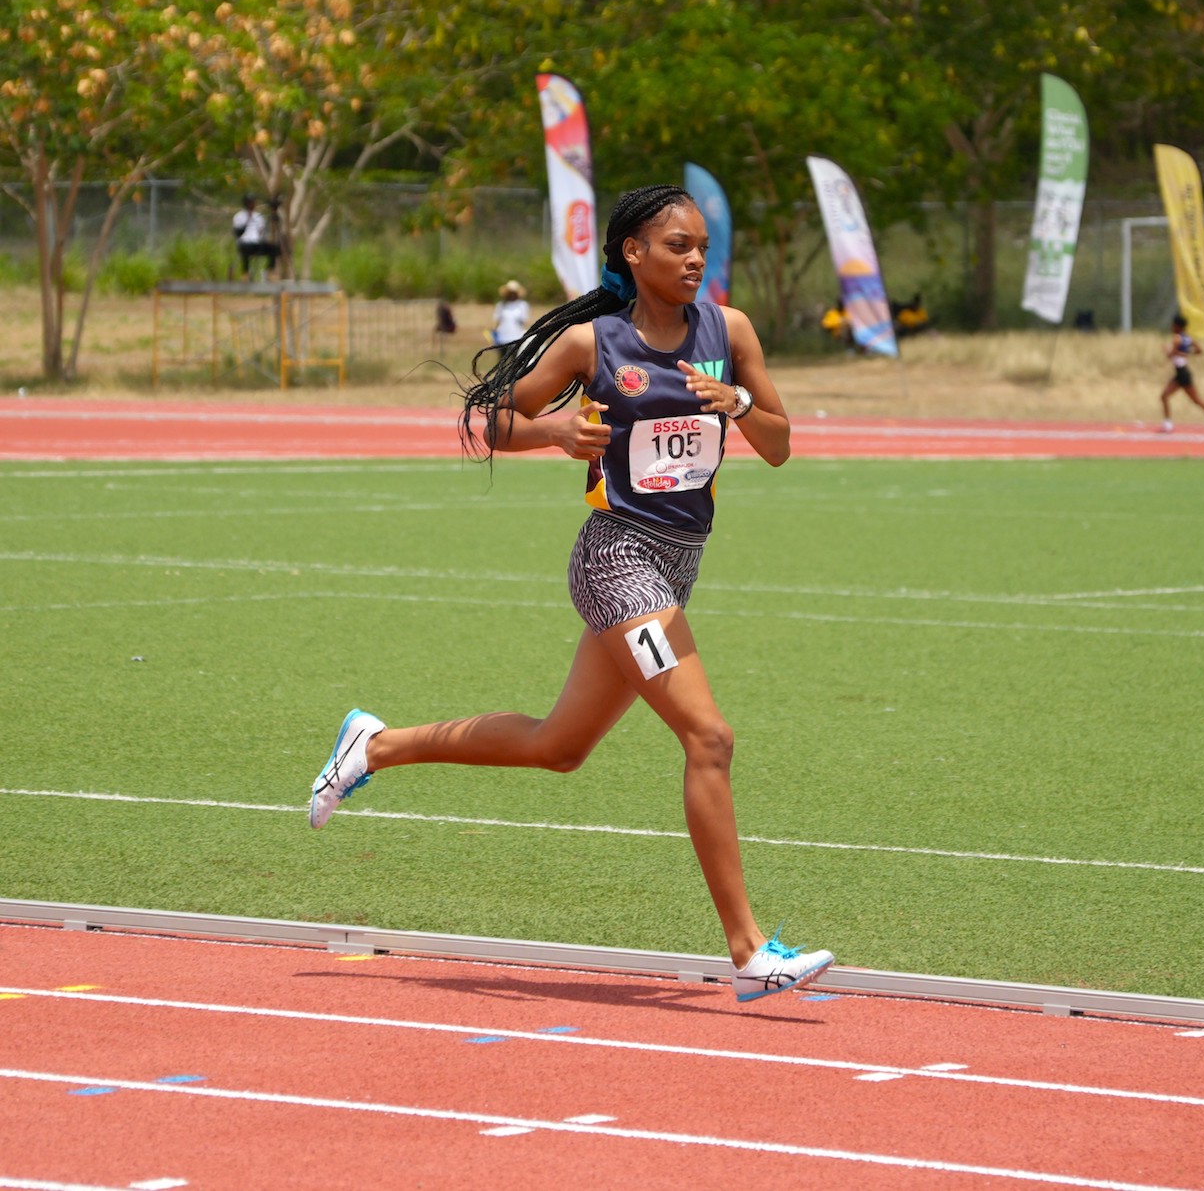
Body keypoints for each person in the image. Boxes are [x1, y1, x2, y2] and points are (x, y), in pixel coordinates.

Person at [309, 184, 835, 1003]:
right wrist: (552, 430)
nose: (695, 259)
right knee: (709, 736)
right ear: (633, 251)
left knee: (561, 745)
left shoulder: (729, 332)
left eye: (701, 247)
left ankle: (375, 744)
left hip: (677, 563)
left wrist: (738, 404)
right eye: (677, 246)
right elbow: (491, 419)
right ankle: (748, 952)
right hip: (617, 559)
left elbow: (780, 445)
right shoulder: (594, 344)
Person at [1159, 314, 1204, 433]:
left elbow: (1171, 355)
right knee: (1164, 396)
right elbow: (1199, 351)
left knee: (1195, 399)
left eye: (1173, 325)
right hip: (1181, 373)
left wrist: (1166, 350)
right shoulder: (1188, 338)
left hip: (1183, 373)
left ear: (1177, 326)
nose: (1171, 327)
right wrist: (1187, 353)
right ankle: (1167, 425)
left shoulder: (1176, 338)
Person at [231, 195, 281, 278]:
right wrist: (247, 220)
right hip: (245, 242)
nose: (252, 204)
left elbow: (262, 231)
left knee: (275, 248)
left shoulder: (258, 217)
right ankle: (245, 274)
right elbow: (238, 231)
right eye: (250, 203)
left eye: (253, 202)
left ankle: (269, 272)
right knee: (245, 249)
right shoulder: (238, 216)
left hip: (257, 242)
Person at [491, 278, 530, 345]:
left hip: (517, 337)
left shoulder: (522, 305)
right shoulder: (501, 305)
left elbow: (524, 320)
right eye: (510, 292)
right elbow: (497, 321)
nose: (512, 294)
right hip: (502, 337)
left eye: (514, 292)